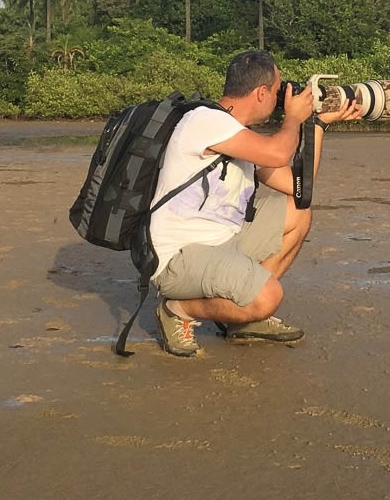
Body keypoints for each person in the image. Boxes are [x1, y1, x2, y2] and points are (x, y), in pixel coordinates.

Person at [149, 50, 362, 356]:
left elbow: (298, 188)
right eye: (277, 92)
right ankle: (176, 310)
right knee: (268, 298)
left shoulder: (238, 134)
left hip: (223, 241)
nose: (279, 99)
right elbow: (278, 153)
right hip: (179, 258)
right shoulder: (205, 121)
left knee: (298, 212)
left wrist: (318, 124)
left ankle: (244, 317)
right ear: (261, 93)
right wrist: (293, 118)